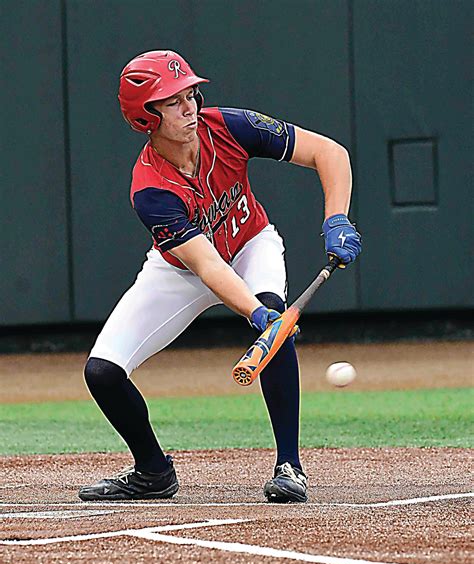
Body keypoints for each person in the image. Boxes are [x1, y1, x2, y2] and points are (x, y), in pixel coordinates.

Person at [78, 50, 361, 504]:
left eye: (191, 94)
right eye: (172, 101)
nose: (189, 106)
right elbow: (208, 267)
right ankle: (153, 471)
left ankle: (289, 465)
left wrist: (337, 218)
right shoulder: (150, 188)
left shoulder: (229, 126)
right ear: (144, 116)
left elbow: (328, 152)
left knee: (278, 330)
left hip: (250, 242)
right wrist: (256, 313)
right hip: (183, 270)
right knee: (102, 373)